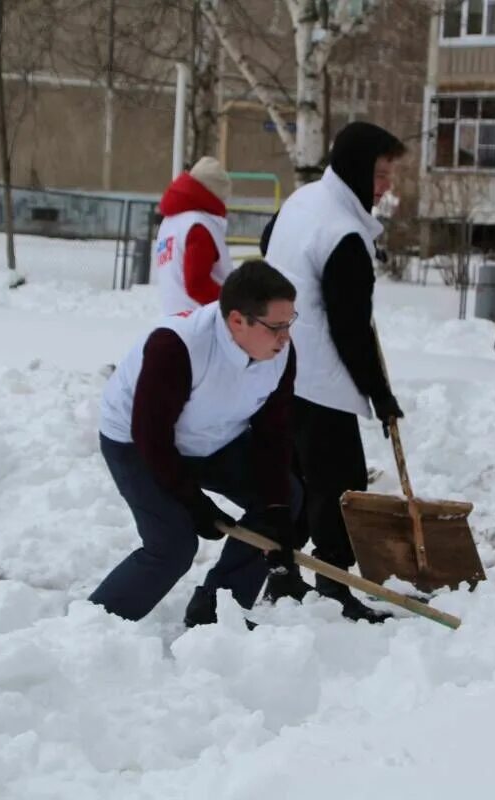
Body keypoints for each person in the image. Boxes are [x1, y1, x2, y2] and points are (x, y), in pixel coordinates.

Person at [92, 261, 309, 625]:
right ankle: (97, 622)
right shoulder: (177, 345)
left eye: (290, 322)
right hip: (137, 443)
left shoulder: (279, 353)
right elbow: (153, 438)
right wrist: (195, 504)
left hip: (217, 437)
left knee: (284, 497)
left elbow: (273, 433)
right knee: (173, 546)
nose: (286, 336)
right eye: (277, 326)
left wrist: (274, 510)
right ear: (238, 321)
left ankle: (216, 611)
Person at [265, 122, 407, 623]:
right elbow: (350, 328)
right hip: (321, 374)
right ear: (357, 169)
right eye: (381, 173)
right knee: (339, 485)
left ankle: (281, 572)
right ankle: (335, 587)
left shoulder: (303, 201)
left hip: (280, 363)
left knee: (298, 481)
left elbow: (268, 240)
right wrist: (380, 395)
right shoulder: (344, 234)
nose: (387, 185)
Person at [154, 157, 234, 314]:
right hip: (201, 320)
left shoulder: (170, 222)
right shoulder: (198, 227)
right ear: (213, 195)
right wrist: (236, 305)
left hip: (175, 318)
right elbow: (197, 285)